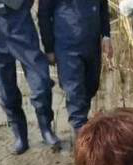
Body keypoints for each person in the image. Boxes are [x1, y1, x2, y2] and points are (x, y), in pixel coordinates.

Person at [0, 0, 60, 154]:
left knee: (41, 83)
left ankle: (46, 128)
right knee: (6, 93)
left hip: (19, 22)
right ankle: (20, 136)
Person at [37, 0, 113, 139]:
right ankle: (81, 131)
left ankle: (83, 124)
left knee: (91, 87)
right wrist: (49, 48)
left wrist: (106, 35)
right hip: (67, 47)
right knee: (74, 91)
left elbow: (103, 7)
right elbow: (43, 14)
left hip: (92, 43)